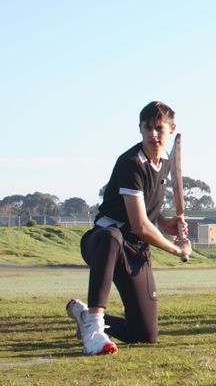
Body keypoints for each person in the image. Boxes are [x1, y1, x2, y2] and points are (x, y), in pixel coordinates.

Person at [65, 101, 192, 356]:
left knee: (145, 334)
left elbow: (147, 216)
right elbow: (140, 225)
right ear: (140, 128)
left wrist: (166, 222)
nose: (153, 134)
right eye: (148, 128)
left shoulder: (165, 162)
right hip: (102, 243)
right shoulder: (131, 163)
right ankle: (94, 329)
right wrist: (176, 249)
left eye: (159, 128)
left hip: (134, 250)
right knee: (112, 235)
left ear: (171, 128)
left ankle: (83, 315)